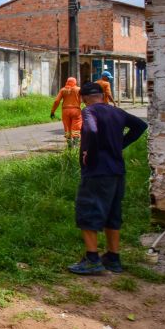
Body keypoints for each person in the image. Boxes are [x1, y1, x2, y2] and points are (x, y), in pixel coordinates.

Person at [67, 81, 147, 275]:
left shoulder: (89, 112)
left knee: (87, 211)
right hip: (117, 172)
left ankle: (92, 258)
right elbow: (140, 126)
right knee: (112, 213)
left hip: (97, 172)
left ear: (83, 98)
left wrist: (89, 154)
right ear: (103, 96)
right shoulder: (117, 112)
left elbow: (92, 131)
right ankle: (113, 257)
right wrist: (120, 144)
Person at [51, 77, 82, 148]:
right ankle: (76, 146)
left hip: (65, 111)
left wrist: (52, 111)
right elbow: (83, 99)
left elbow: (56, 101)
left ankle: (69, 146)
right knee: (76, 127)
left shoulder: (63, 90)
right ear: (75, 82)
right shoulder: (78, 89)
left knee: (67, 128)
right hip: (76, 110)